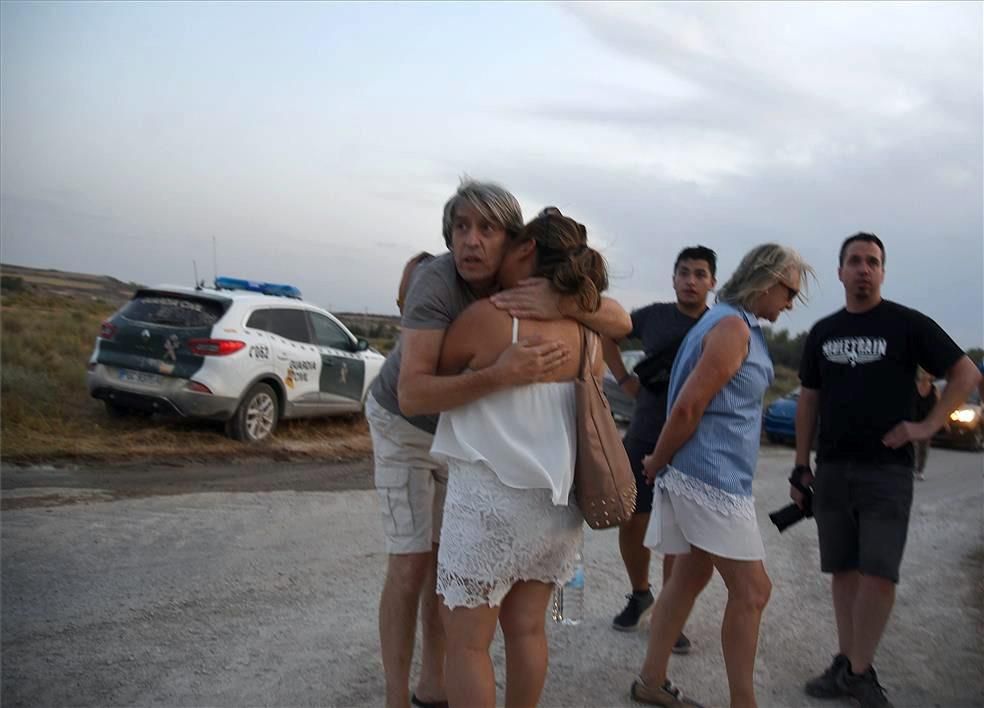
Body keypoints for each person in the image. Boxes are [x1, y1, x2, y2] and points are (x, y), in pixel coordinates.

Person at [368, 180, 631, 708]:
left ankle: (433, 686)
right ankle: (408, 695)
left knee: (465, 626)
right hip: (421, 434)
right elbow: (413, 395)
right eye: (461, 228)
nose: (471, 241)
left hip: (486, 480)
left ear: (520, 245)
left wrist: (556, 306)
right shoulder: (441, 283)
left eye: (487, 230)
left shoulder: (495, 316)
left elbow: (620, 317)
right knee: (426, 571)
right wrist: (556, 319)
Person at [429, 212, 618, 708]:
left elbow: (434, 385)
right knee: (528, 631)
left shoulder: (490, 319)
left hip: (491, 501)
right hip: (555, 511)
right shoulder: (589, 335)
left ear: (527, 249)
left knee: (467, 641)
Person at [791, 232, 980, 708]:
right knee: (843, 570)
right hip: (831, 469)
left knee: (879, 573)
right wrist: (799, 466)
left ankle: (860, 670)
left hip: (886, 472)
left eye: (873, 262)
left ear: (882, 271)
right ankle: (845, 662)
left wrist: (928, 426)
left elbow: (966, 373)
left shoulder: (906, 325)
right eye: (854, 261)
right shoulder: (823, 332)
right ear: (840, 271)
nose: (863, 269)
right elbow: (809, 400)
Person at [631, 244, 815, 708]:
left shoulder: (725, 322)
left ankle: (650, 683)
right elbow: (690, 405)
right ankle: (743, 702)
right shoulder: (732, 327)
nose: (790, 303)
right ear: (766, 281)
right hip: (708, 478)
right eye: (788, 292)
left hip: (703, 473)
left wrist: (664, 461)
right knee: (754, 591)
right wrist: (657, 459)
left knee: (688, 577)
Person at [602, 246, 718, 652]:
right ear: (673, 279)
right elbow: (606, 335)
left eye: (699, 274)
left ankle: (670, 614)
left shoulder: (721, 324)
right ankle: (640, 593)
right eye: (683, 272)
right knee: (632, 520)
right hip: (647, 430)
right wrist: (624, 381)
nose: (690, 280)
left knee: (680, 533)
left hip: (695, 441)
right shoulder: (652, 316)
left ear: (712, 283)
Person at [911, 369, 937, 480]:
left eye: (926, 373)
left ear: (930, 376)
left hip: (927, 423)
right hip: (914, 421)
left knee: (923, 448)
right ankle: (911, 468)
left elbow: (938, 406)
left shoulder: (934, 389)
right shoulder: (914, 387)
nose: (923, 375)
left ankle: (920, 471)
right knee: (913, 447)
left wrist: (941, 422)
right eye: (922, 373)